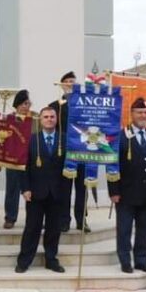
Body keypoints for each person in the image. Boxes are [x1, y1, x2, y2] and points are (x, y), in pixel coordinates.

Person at [108, 97, 146, 274]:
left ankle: (141, 260)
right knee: (124, 230)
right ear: (132, 114)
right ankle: (125, 260)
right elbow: (112, 165)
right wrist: (113, 191)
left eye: (145, 113)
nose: (143, 116)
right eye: (139, 112)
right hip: (125, 194)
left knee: (144, 230)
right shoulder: (120, 137)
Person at [15, 107, 68, 273]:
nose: (50, 119)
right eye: (46, 117)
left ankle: (51, 260)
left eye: (52, 117)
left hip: (58, 193)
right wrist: (25, 189)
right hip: (35, 192)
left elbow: (71, 165)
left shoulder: (65, 139)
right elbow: (23, 166)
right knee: (32, 228)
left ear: (56, 119)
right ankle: (24, 261)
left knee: (54, 229)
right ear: (41, 120)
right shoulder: (31, 140)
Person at [50, 71, 88, 233]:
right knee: (64, 188)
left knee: (82, 188)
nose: (70, 84)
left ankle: (82, 220)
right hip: (64, 153)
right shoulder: (55, 106)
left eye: (73, 81)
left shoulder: (85, 104)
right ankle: (63, 220)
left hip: (83, 151)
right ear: (62, 85)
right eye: (67, 82)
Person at [4, 89, 34, 229]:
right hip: (12, 158)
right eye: (22, 104)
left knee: (32, 189)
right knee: (12, 189)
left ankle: (34, 218)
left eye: (27, 103)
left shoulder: (35, 118)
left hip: (31, 159)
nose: (25, 106)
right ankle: (10, 217)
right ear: (16, 105)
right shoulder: (8, 118)